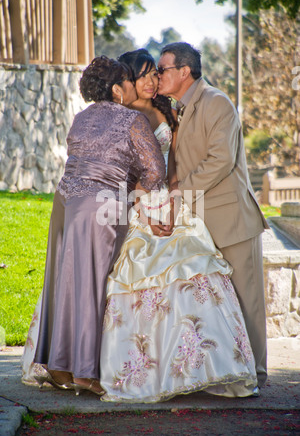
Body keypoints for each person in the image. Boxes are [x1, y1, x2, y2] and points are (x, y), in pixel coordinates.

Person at [99, 49, 258, 403]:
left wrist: (172, 194)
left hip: (179, 201)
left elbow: (180, 160)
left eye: (156, 72)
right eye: (142, 75)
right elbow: (122, 171)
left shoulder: (173, 109)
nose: (152, 79)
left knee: (195, 275)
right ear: (126, 81)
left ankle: (205, 365)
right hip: (146, 204)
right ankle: (148, 369)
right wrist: (144, 205)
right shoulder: (123, 116)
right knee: (144, 281)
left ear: (180, 72)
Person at [21, 56, 166, 396]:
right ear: (117, 89)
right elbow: (155, 173)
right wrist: (132, 196)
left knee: (65, 280)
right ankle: (85, 372)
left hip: (65, 202)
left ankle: (58, 366)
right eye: (127, 81)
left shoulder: (80, 118)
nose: (131, 86)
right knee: (92, 284)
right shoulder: (133, 120)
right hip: (102, 206)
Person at [157, 42, 269, 390]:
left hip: (232, 221)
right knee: (218, 308)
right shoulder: (178, 109)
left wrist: (179, 194)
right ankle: (226, 372)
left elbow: (220, 160)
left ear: (184, 72)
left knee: (246, 301)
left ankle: (257, 375)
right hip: (200, 224)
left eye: (163, 69)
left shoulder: (217, 103)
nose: (158, 76)